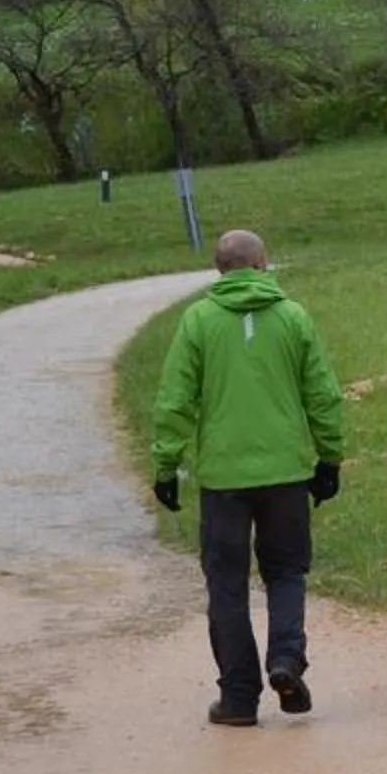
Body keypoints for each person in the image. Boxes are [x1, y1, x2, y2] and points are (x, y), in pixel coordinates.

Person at [150, 228, 348, 728]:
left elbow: (175, 401)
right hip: (285, 473)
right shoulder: (293, 317)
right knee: (286, 571)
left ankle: (239, 697)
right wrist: (329, 457)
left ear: (220, 270)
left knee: (227, 584)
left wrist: (166, 466)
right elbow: (322, 394)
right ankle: (285, 659)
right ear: (263, 263)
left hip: (223, 479)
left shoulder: (198, 321)